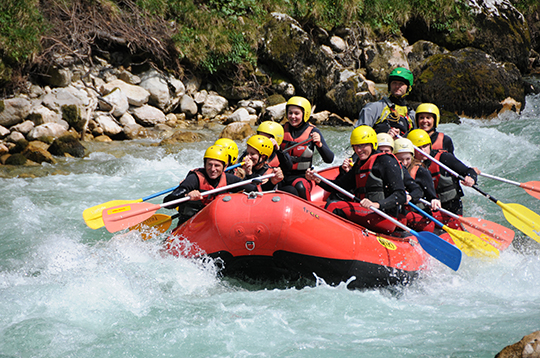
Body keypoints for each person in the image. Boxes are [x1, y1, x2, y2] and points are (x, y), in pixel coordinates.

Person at [306, 126, 406, 233]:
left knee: (334, 206)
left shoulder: (385, 161)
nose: (359, 150)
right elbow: (339, 186)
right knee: (333, 203)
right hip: (368, 213)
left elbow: (400, 195)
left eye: (363, 146)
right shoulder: (359, 164)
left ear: (372, 144)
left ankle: (321, 236)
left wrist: (377, 204)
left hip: (385, 217)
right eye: (356, 146)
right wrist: (318, 179)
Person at [163, 145, 258, 225]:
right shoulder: (194, 179)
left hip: (214, 226)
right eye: (210, 164)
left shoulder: (229, 179)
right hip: (190, 225)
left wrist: (272, 182)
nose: (213, 169)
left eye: (217, 165)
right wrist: (187, 196)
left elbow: (255, 191)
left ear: (225, 167)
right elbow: (167, 203)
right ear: (205, 165)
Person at [407, 129, 477, 215]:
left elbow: (469, 171)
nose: (423, 150)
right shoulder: (407, 163)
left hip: (450, 207)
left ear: (430, 145)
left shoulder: (444, 158)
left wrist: (471, 178)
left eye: (425, 146)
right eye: (418, 148)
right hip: (427, 209)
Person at [280, 96, 334, 200]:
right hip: (281, 174)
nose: (292, 116)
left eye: (297, 113)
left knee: (300, 186)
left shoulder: (313, 132)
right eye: (290, 113)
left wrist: (319, 145)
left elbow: (329, 159)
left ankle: (308, 211)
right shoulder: (281, 130)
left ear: (305, 114)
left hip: (302, 176)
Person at [394, 137, 441, 232]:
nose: (404, 163)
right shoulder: (391, 169)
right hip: (401, 214)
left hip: (419, 216)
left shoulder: (421, 171)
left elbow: (430, 195)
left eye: (408, 159)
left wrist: (434, 200)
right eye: (400, 159)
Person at [355, 67, 415, 139]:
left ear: (408, 88)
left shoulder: (412, 115)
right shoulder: (373, 108)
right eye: (394, 83)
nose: (397, 86)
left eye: (401, 84)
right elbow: (359, 135)